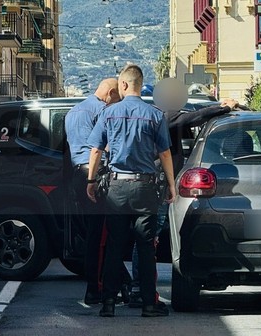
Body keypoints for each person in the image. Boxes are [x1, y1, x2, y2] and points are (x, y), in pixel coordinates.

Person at [128, 97, 240, 308]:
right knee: (147, 239)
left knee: (144, 238)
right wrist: (223, 107)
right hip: (159, 186)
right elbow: (194, 117)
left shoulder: (157, 116)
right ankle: (139, 289)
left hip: (150, 184)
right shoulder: (165, 116)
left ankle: (134, 287)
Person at [86, 64, 176, 318]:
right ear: (140, 83)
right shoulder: (155, 115)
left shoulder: (109, 113)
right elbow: (165, 153)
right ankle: (148, 303)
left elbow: (96, 150)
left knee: (114, 246)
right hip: (145, 187)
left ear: (123, 85)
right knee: (146, 246)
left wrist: (91, 181)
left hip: (116, 187)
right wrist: (170, 185)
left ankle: (108, 304)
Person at [65, 78, 124, 305]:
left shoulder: (73, 112)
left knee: (94, 233)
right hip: (96, 173)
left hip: (77, 174)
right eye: (117, 98)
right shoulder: (103, 112)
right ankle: (96, 288)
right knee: (102, 236)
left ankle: (110, 283)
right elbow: (105, 146)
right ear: (110, 93)